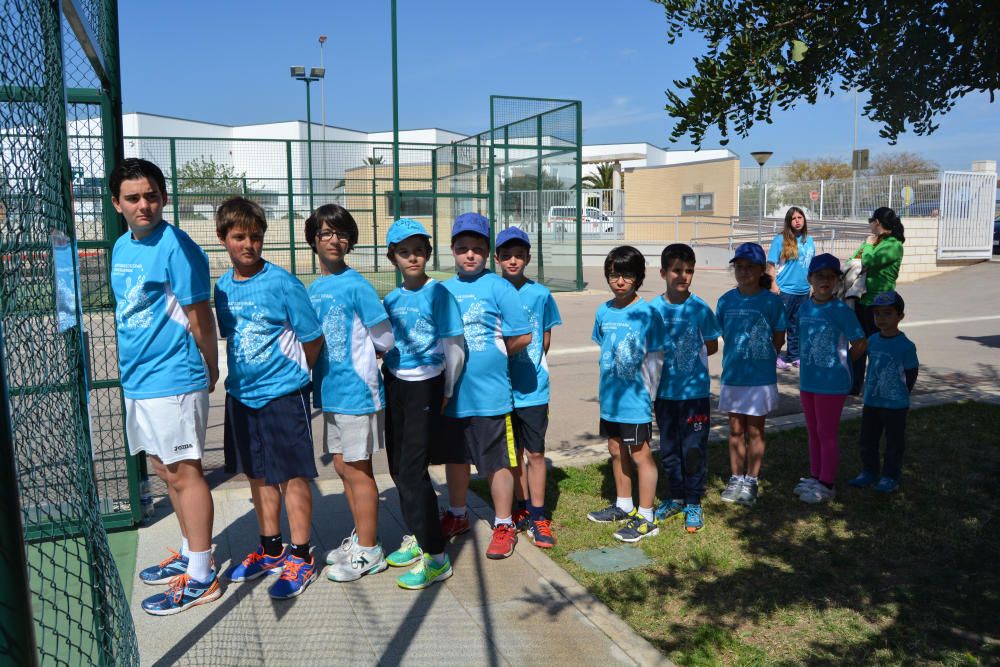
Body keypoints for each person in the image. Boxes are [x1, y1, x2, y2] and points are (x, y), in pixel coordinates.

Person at [110, 158, 221, 616]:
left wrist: (211, 369)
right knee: (162, 469)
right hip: (139, 381)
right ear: (117, 203)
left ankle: (202, 575)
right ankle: (188, 550)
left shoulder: (178, 246)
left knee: (185, 472)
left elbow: (200, 316)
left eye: (151, 195)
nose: (144, 205)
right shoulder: (121, 246)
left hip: (174, 379)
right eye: (133, 198)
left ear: (164, 198)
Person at [214, 197, 325, 599]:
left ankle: (301, 555)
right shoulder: (222, 287)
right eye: (239, 237)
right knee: (257, 474)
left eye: (256, 237)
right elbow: (233, 335)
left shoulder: (283, 282)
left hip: (282, 396)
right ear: (223, 238)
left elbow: (312, 339)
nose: (248, 245)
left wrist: (293, 378)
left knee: (292, 476)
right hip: (241, 397)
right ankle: (271, 548)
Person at [304, 204, 395, 583]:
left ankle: (371, 551)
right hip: (331, 392)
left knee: (358, 469)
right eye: (326, 233)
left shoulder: (357, 284)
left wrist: (369, 356)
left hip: (358, 394)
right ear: (313, 239)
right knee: (342, 466)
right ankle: (361, 537)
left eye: (341, 233)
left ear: (350, 241)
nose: (334, 240)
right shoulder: (315, 288)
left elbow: (385, 337)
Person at [435, 213, 532, 560]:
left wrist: (498, 350)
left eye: (477, 248)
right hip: (454, 397)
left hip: (492, 398)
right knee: (456, 460)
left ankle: (504, 523)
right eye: (462, 249)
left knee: (498, 464)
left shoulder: (499, 287)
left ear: (488, 251)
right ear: (452, 251)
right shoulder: (442, 289)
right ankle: (458, 515)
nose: (470, 255)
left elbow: (523, 334)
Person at [380, 218, 465, 590]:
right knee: (398, 466)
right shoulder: (392, 299)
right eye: (404, 252)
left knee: (414, 470)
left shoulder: (440, 294)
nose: (412, 258)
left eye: (418, 251)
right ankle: (418, 533)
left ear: (428, 254)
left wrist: (447, 387)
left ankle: (436, 556)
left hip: (426, 386)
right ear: (392, 258)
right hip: (395, 382)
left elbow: (455, 347)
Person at [586, 246, 665, 542]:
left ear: (639, 278)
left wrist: (649, 396)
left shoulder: (647, 313)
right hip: (610, 398)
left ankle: (646, 517)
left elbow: (655, 359)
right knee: (616, 450)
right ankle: (623, 504)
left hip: (636, 400)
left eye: (627, 275)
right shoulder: (602, 311)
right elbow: (604, 347)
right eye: (614, 275)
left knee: (640, 454)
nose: (619, 281)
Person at [494, 226, 562, 548]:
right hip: (500, 390)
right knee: (512, 454)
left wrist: (530, 363)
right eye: (506, 255)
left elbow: (545, 339)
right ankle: (520, 508)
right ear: (496, 258)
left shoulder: (541, 295)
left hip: (533, 390)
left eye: (519, 255)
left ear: (528, 258)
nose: (512, 261)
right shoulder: (492, 291)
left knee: (535, 452)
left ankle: (538, 514)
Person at [650, 244, 720, 533]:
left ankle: (693, 501)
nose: (683, 276)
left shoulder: (701, 308)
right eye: (677, 270)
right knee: (669, 450)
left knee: (692, 450)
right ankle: (675, 496)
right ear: (664, 272)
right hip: (664, 395)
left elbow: (712, 345)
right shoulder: (652, 309)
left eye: (689, 271)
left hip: (694, 396)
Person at [715, 242, 786, 507]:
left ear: (760, 270)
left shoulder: (770, 301)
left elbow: (779, 335)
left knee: (755, 430)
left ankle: (751, 480)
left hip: (760, 377)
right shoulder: (726, 300)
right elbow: (723, 331)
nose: (744, 272)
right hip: (733, 375)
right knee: (735, 429)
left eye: (750, 268)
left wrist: (765, 356)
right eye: (739, 267)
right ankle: (736, 477)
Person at [793, 254, 867, 504]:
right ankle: (816, 476)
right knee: (813, 431)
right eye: (819, 276)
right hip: (808, 381)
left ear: (837, 281)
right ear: (810, 279)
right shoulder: (805, 307)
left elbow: (860, 342)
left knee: (826, 432)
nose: (825, 281)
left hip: (831, 383)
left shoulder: (840, 310)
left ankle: (827, 483)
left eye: (830, 276)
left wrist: (843, 364)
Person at [848, 291, 918, 493]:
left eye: (887, 313)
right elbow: (859, 362)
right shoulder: (872, 340)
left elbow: (911, 373)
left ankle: (890, 476)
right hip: (872, 401)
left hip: (895, 405)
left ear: (900, 316)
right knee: (867, 440)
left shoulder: (906, 346)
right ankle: (869, 472)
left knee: (894, 443)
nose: (881, 319)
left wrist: (905, 397)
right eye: (877, 314)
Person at [850, 207, 906, 394]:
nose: (870, 225)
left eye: (871, 221)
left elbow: (868, 262)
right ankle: (854, 385)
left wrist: (868, 245)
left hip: (881, 302)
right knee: (859, 343)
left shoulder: (893, 245)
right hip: (862, 299)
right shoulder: (875, 241)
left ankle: (878, 385)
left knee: (877, 346)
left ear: (878, 222)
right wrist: (867, 247)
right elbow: (854, 260)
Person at [766, 207, 814, 369]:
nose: (798, 221)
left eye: (800, 217)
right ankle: (774, 354)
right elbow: (771, 264)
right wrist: (772, 284)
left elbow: (811, 266)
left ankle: (794, 355)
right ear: (788, 221)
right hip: (784, 290)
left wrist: (812, 286)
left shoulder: (810, 241)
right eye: (794, 218)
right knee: (778, 325)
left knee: (797, 326)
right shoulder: (780, 240)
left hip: (803, 291)